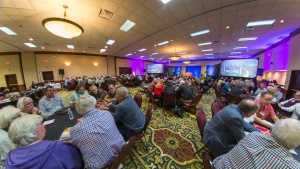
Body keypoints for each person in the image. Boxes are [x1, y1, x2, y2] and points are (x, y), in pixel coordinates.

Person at [213, 118, 300, 168]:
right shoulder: (292, 167)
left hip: (216, 166)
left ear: (271, 130)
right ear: (298, 145)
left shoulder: (253, 136)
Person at [5, 115, 83, 169]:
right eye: (41, 124)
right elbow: (78, 163)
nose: (44, 125)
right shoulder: (58, 148)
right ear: (35, 131)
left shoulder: (10, 158)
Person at [70, 95, 125, 169]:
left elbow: (75, 146)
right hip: (121, 149)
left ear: (79, 111)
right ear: (96, 105)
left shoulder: (75, 130)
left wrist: (82, 124)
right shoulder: (107, 113)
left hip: (100, 165)